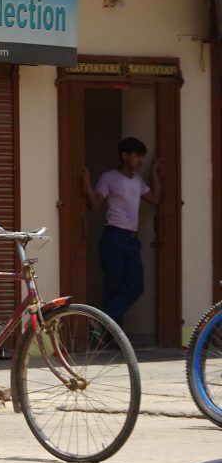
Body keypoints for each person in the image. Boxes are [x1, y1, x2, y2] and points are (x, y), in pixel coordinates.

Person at [82, 137, 161, 328]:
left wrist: (154, 172)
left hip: (131, 240)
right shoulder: (109, 177)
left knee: (136, 287)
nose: (140, 160)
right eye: (137, 156)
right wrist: (86, 181)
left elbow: (156, 199)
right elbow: (95, 204)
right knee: (112, 287)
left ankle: (100, 321)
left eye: (142, 157)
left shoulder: (138, 180)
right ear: (124, 156)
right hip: (114, 237)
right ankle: (108, 336)